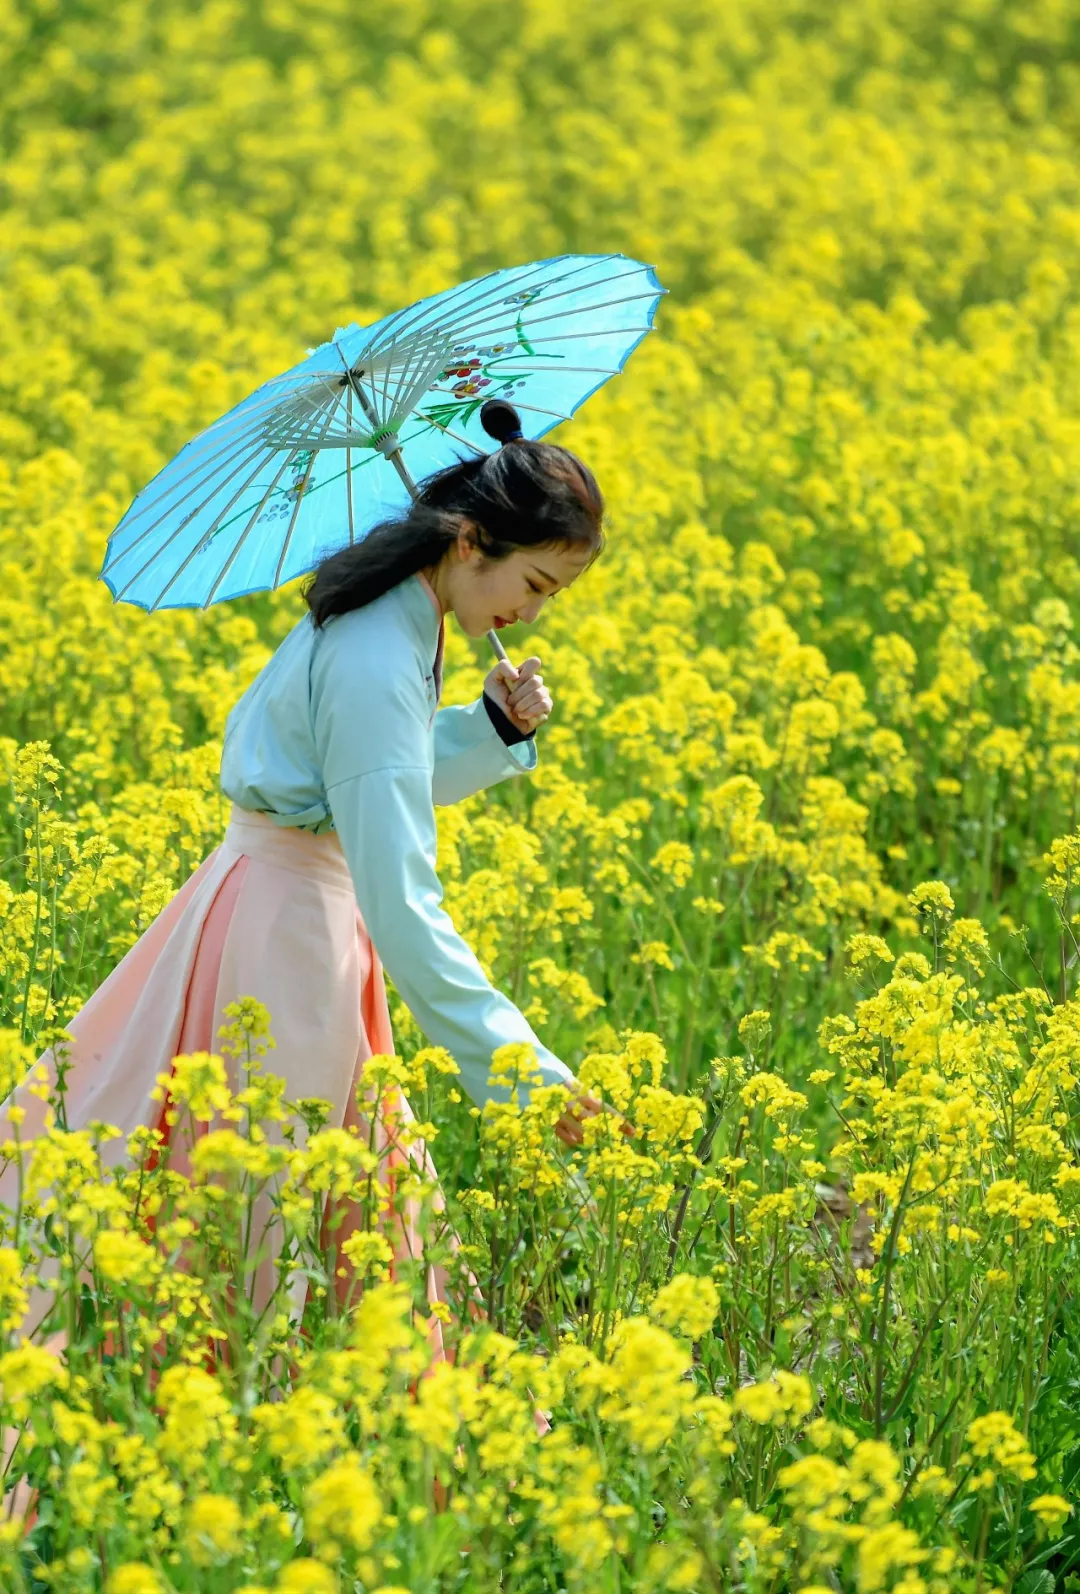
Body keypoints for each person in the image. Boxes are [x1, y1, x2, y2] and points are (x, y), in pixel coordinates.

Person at [0, 397, 615, 1341]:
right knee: (265, 1216)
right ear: (472, 541)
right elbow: (403, 899)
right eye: (531, 583)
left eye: (548, 599)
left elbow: (360, 778)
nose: (529, 613)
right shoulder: (380, 649)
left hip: (272, 911)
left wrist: (492, 728)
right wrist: (523, 1078)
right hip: (288, 945)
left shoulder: (402, 613)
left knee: (283, 1205)